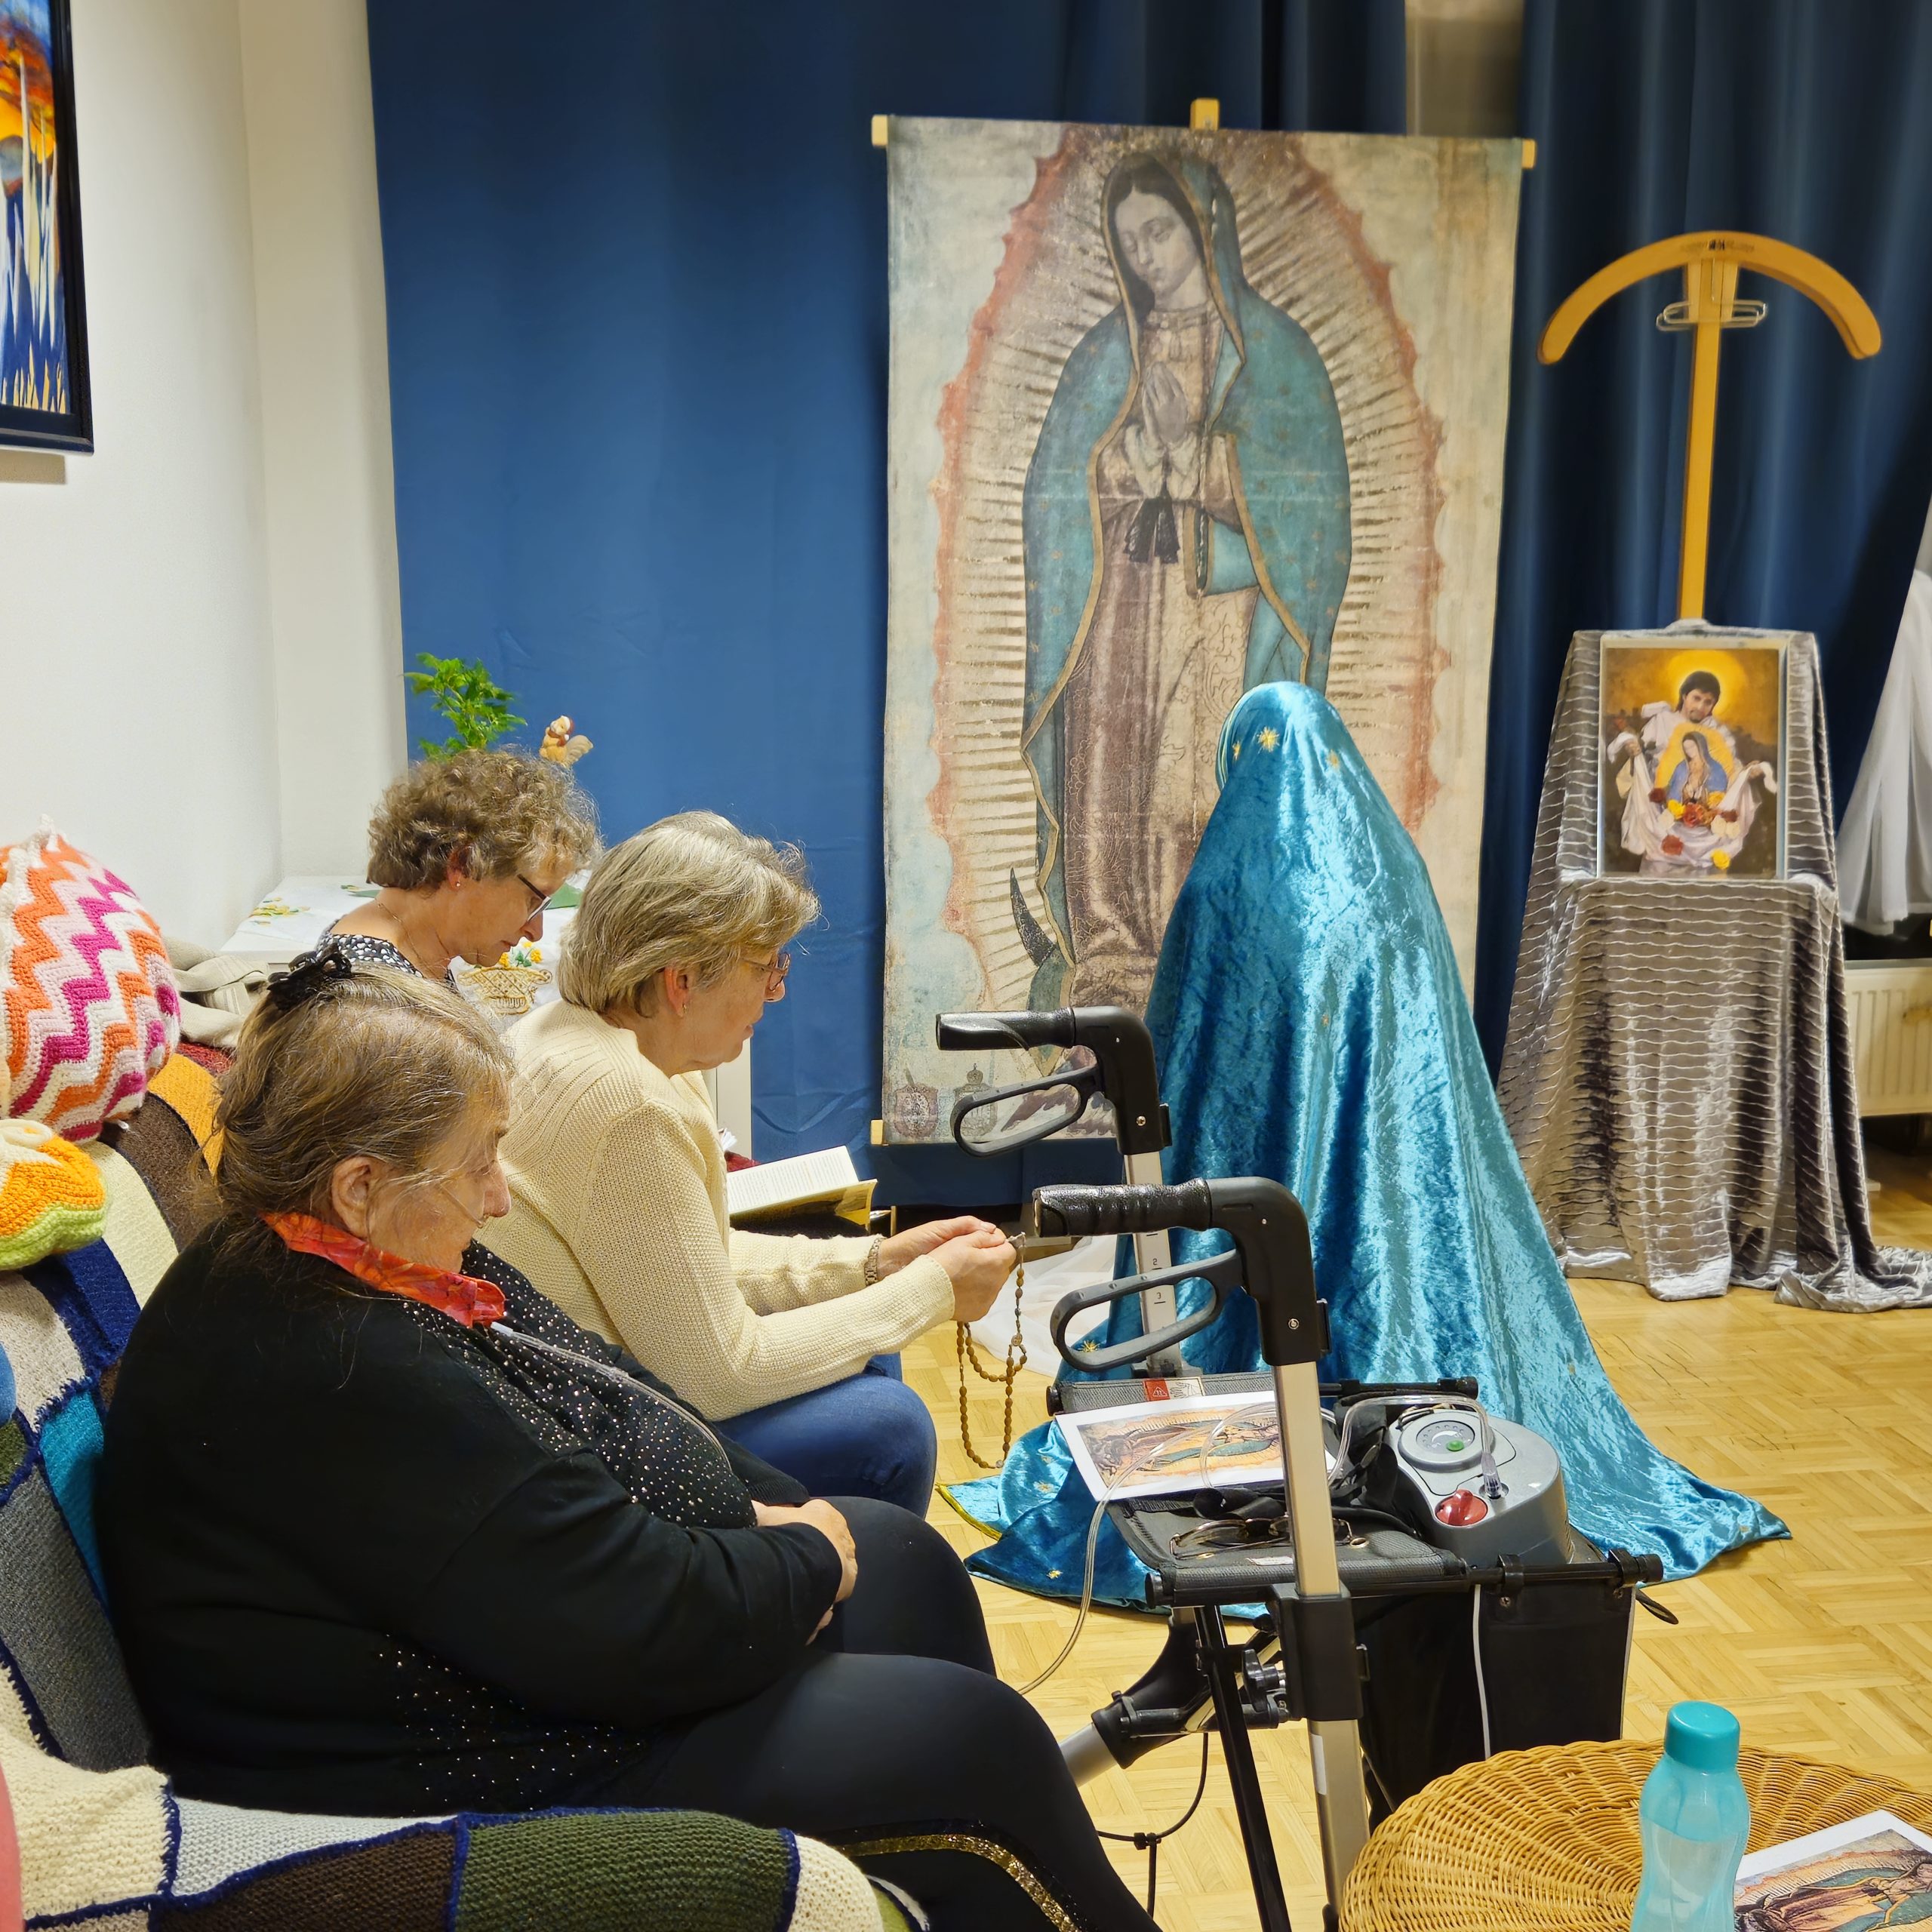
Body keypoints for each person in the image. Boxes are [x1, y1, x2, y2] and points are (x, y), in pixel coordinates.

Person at [96, 952, 1157, 1932]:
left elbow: (614, 1396)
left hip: (521, 1656)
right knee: (969, 1746)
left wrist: (772, 1512)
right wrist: (799, 1555)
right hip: (437, 1764)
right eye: (478, 1164)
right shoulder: (338, 1365)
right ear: (360, 1184)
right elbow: (618, 1620)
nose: (498, 1196)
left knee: (903, 1557)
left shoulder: (355, 1255)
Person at [953, 682, 1786, 1605]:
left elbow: (1185, 1057)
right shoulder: (1395, 872)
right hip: (1400, 1191)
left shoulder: (1226, 879)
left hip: (1246, 1198)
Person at [493, 812, 1014, 1512]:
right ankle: (830, 1571)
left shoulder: (588, 1035)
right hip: (589, 1431)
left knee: (871, 1330)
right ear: (682, 980)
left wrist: (877, 1263)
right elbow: (717, 1376)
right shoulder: (628, 1104)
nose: (778, 991)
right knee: (891, 1426)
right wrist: (932, 1292)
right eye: (766, 966)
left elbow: (689, 1260)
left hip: (597, 1383)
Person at [1018, 150, 1351, 1010]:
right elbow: (1056, 494)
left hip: (1217, 614)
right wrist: (1133, 457)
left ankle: (1200, 963)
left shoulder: (1273, 355)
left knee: (1187, 782)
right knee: (1114, 774)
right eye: (1129, 242)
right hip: (1120, 608)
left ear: (1204, 229)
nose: (1146, 258)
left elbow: (1310, 521)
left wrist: (1197, 457)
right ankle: (1114, 960)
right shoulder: (1105, 355)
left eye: (1159, 232)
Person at [319, 747, 601, 986]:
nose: (535, 932)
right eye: (533, 901)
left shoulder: (405, 953)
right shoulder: (376, 999)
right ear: (463, 866)